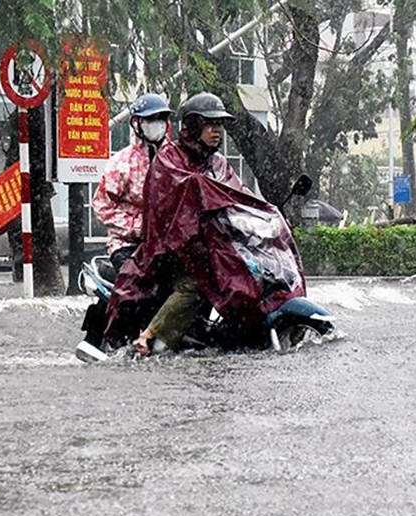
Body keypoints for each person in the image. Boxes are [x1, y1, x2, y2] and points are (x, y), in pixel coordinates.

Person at [103, 91, 306, 356]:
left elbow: (238, 195)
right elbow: (171, 204)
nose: (217, 131)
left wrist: (263, 216)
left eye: (220, 125)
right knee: (197, 283)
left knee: (241, 279)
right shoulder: (168, 160)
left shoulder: (218, 163)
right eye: (210, 124)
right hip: (167, 247)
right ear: (194, 126)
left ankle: (225, 337)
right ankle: (150, 337)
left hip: (205, 245)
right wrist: (143, 227)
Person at [76, 93, 172, 363]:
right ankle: (124, 339)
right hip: (128, 245)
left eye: (161, 119)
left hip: (167, 243)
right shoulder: (123, 163)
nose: (157, 124)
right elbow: (102, 205)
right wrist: (137, 229)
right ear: (137, 124)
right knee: (138, 283)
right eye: (151, 119)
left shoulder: (174, 161)